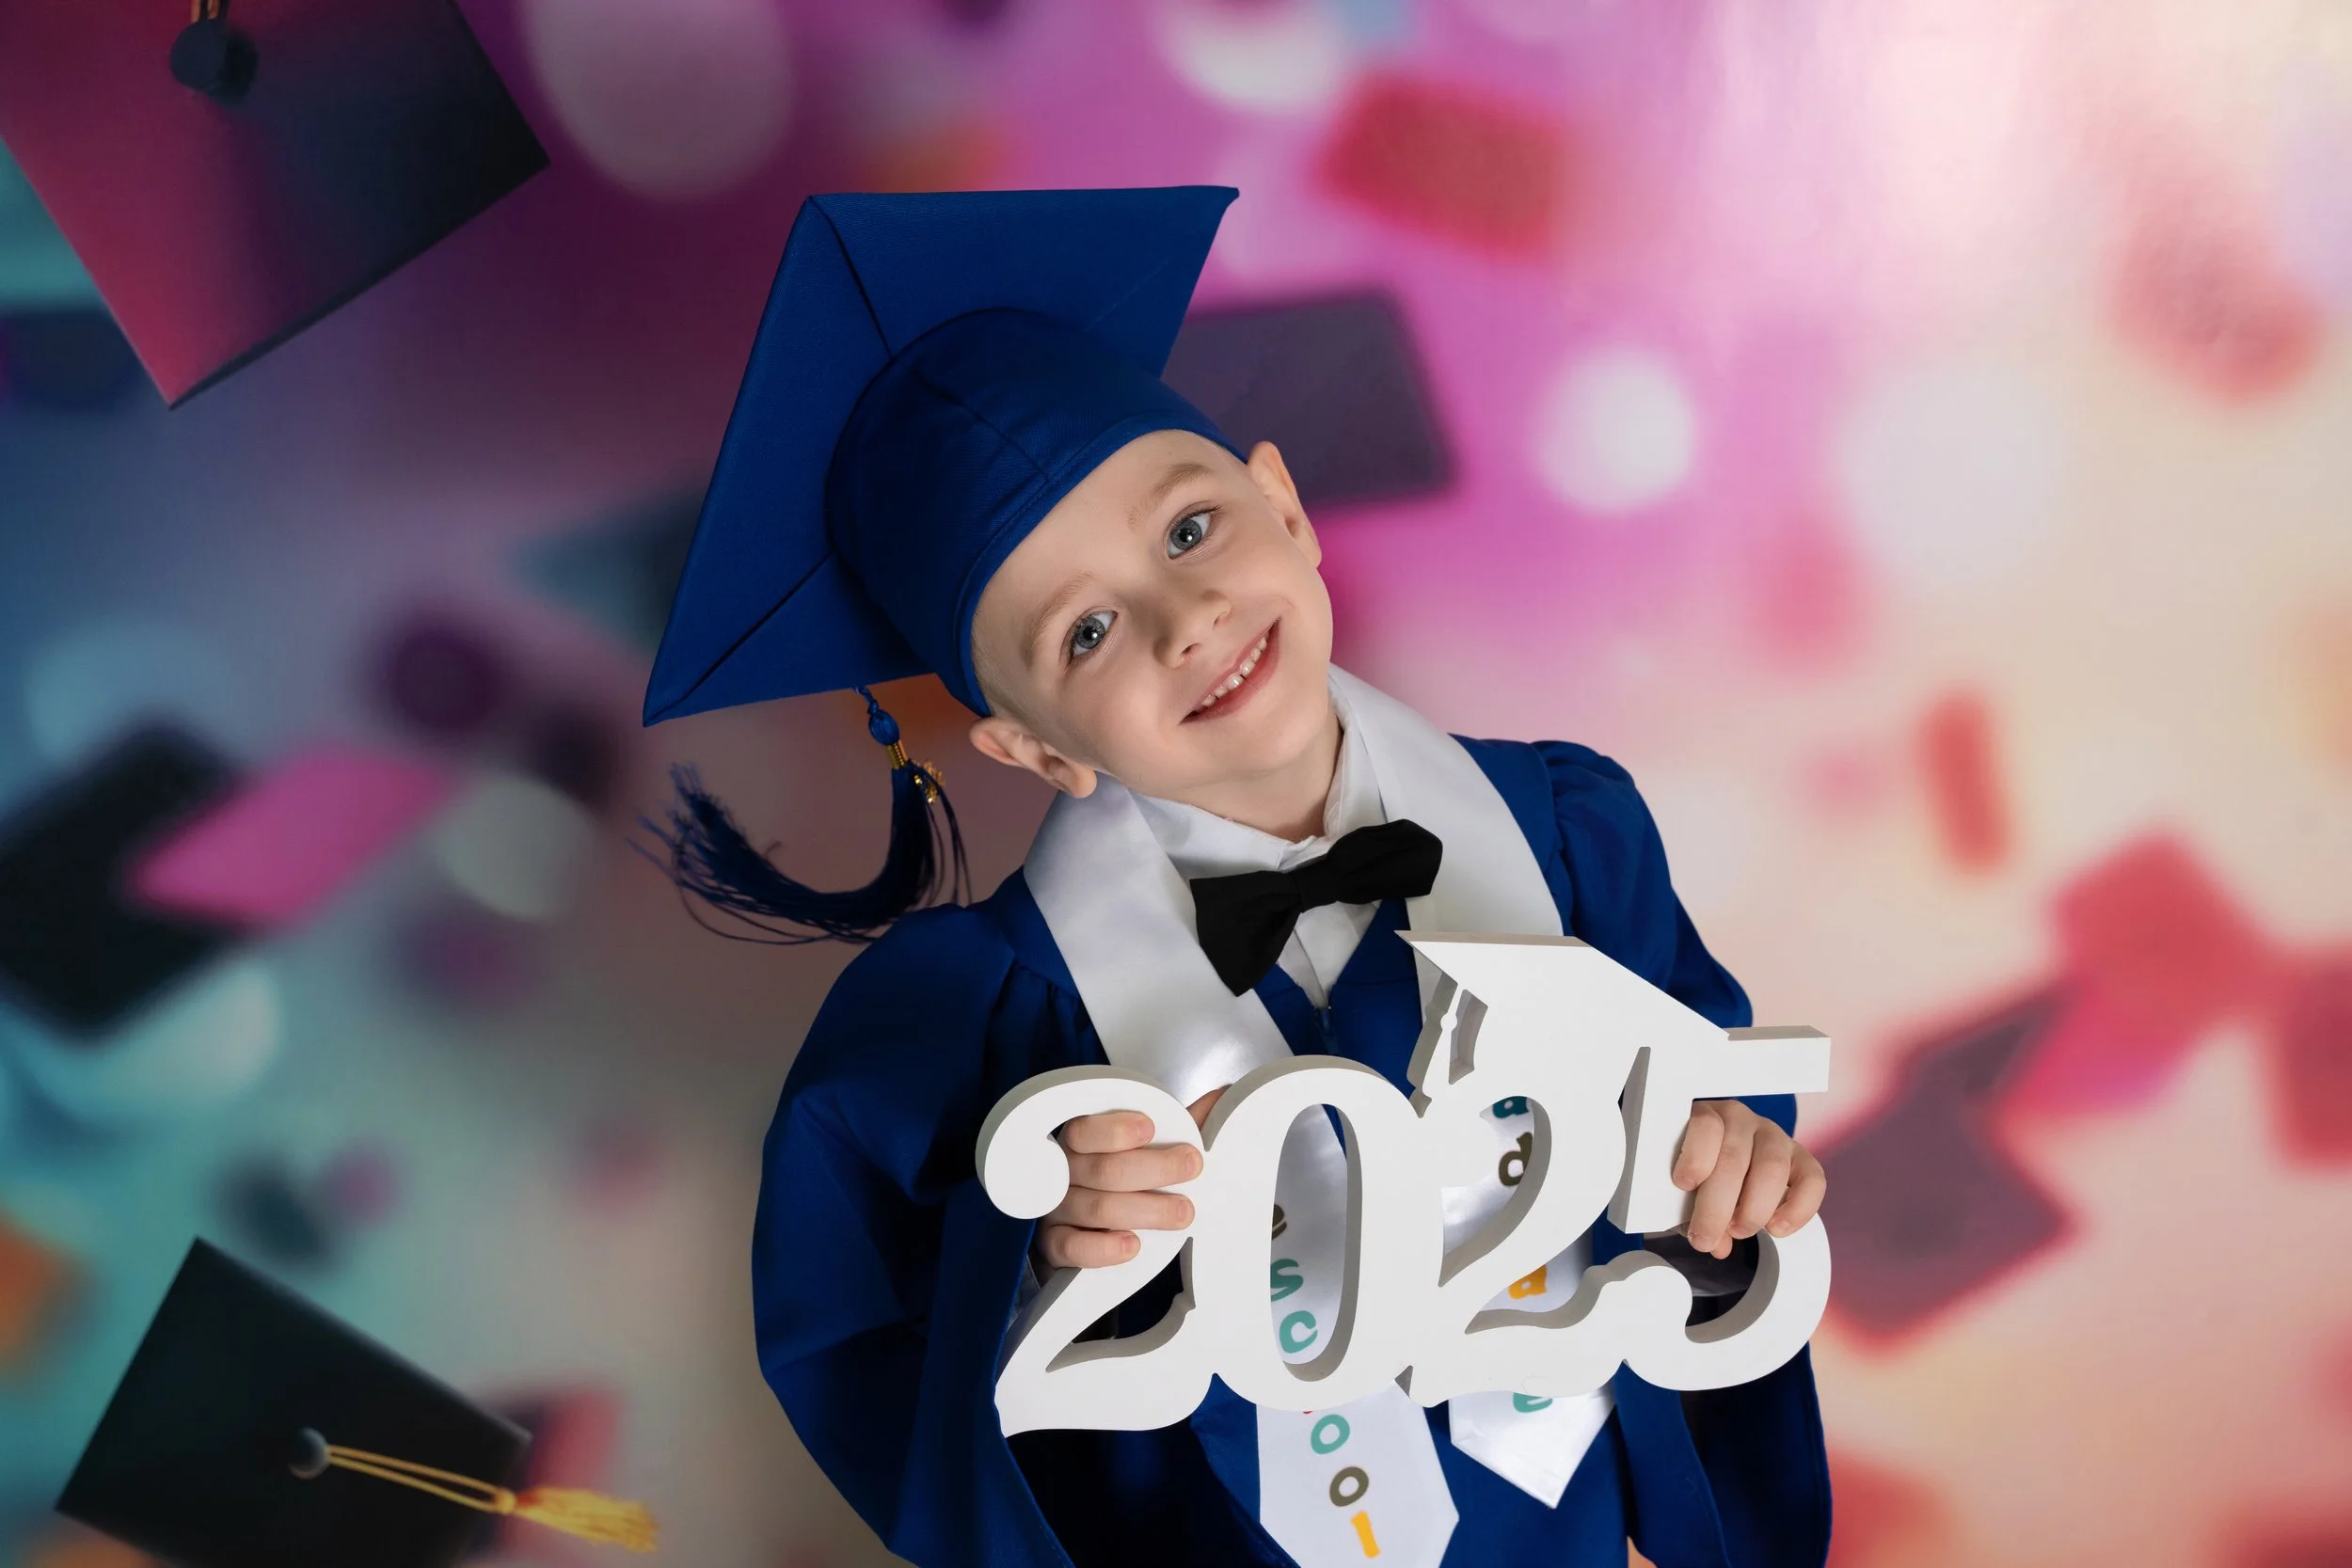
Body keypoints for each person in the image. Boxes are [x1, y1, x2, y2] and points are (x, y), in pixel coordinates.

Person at [642, 187, 1831, 1568]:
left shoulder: (1568, 831)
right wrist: (1043, 1259)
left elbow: (1709, 1117)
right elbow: (878, 1352)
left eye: (1192, 529)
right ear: (1033, 746)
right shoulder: (986, 1012)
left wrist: (1729, 1169)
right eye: (1085, 629)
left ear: (1283, 502)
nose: (1185, 619)